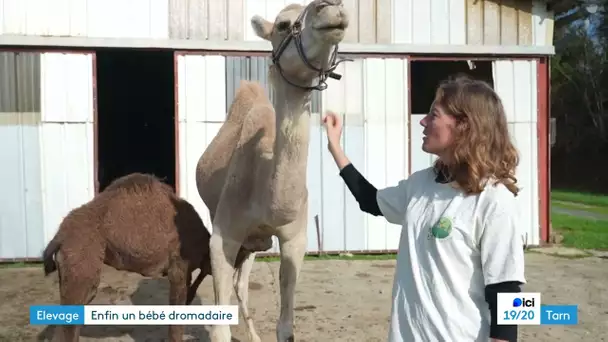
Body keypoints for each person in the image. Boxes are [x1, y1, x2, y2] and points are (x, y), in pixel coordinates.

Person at [322, 76, 526, 342]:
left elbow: (507, 291)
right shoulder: (420, 184)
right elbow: (370, 201)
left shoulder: (495, 201)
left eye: (433, 115)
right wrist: (335, 148)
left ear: (464, 126)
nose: (423, 121)